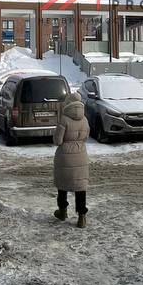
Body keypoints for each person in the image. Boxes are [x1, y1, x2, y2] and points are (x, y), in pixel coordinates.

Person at [52, 95, 90, 228]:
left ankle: (62, 212)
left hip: (65, 155)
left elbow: (58, 140)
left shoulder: (64, 119)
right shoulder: (84, 119)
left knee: (62, 185)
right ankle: (82, 218)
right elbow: (86, 136)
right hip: (81, 153)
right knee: (80, 187)